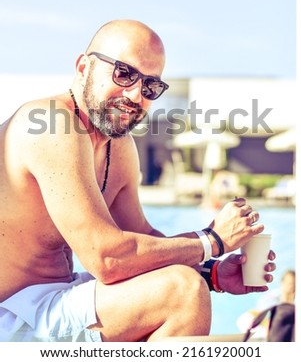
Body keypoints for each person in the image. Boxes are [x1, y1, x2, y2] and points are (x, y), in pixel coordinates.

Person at [0, 20, 276, 342]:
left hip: (51, 302)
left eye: (150, 87)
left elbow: (140, 239)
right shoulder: (52, 123)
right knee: (181, 291)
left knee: (187, 278)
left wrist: (210, 271)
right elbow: (108, 259)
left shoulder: (117, 145)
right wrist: (211, 240)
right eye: (124, 74)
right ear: (83, 67)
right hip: (12, 316)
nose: (135, 94)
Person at [237, 269, 295, 339]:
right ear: (282, 283)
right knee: (244, 318)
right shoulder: (272, 297)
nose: (291, 286)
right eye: (289, 283)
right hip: (267, 328)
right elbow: (260, 311)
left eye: (294, 284)